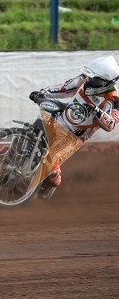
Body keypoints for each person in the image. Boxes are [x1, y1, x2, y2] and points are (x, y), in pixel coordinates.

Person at [29, 55, 119, 199]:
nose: (89, 80)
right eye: (89, 76)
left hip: (74, 137)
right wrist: (43, 92)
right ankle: (2, 172)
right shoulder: (85, 78)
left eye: (94, 79)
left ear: (107, 83)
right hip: (59, 119)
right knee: (32, 131)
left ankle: (54, 179)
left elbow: (111, 124)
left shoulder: (113, 99)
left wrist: (97, 112)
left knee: (49, 162)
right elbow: (64, 87)